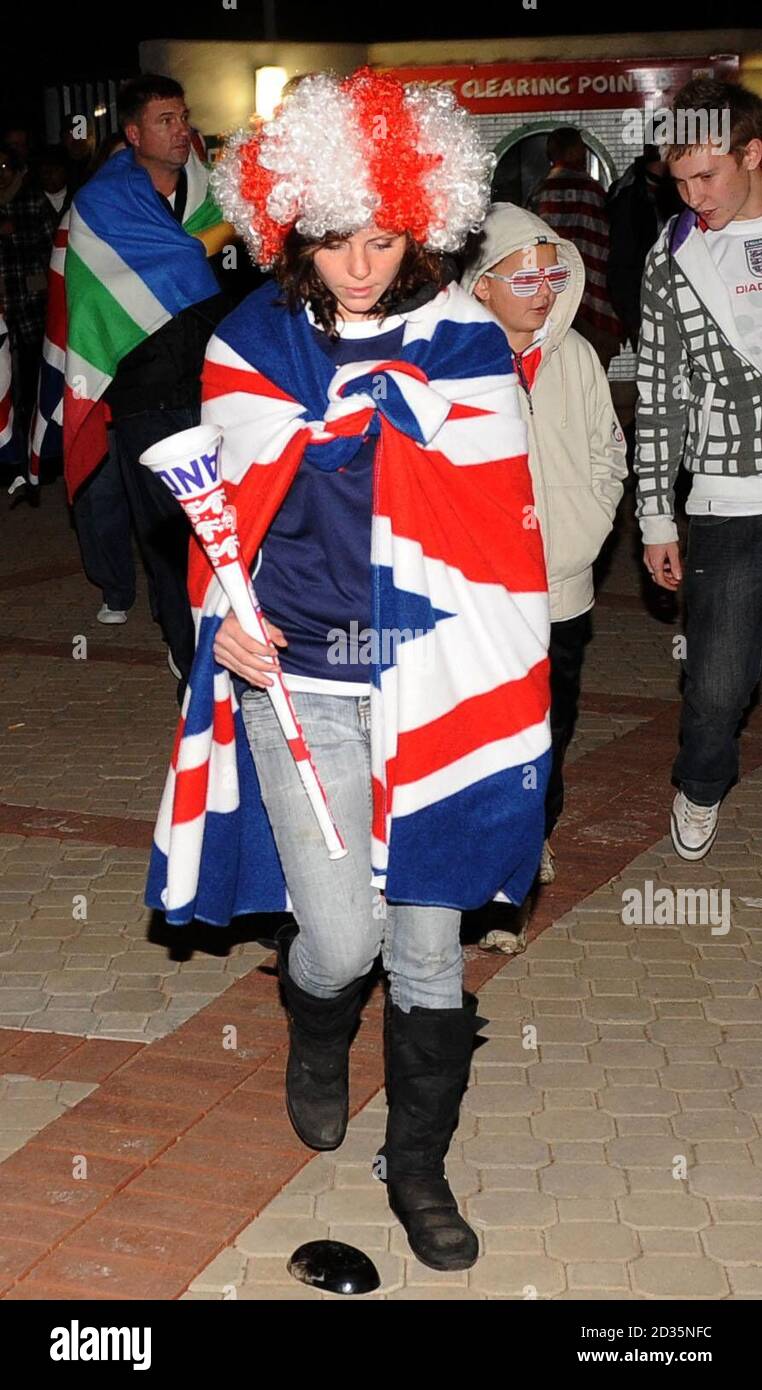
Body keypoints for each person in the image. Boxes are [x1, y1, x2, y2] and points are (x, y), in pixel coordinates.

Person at [147, 68, 551, 1271]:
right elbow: (217, 508)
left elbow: (500, 523)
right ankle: (314, 1029)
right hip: (304, 679)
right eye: (335, 241)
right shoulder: (251, 345)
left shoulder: (465, 346)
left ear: (420, 224)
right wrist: (218, 610)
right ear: (293, 228)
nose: (362, 266)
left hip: (437, 681)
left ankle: (419, 1166)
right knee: (341, 934)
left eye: (384, 240)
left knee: (429, 947)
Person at [462, 204, 627, 951]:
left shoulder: (579, 359)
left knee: (548, 728)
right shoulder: (453, 362)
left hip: (561, 588)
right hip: (479, 595)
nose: (542, 288)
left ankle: (534, 834)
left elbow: (607, 458)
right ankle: (502, 882)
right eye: (522, 275)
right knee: (491, 731)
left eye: (552, 272)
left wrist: (581, 537)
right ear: (482, 287)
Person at [47, 74, 230, 679]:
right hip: (143, 392)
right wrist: (231, 228)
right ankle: (189, 657)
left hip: (214, 384)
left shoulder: (212, 193)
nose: (181, 132)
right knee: (170, 533)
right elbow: (181, 258)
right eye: (165, 121)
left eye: (184, 118)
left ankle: (221, 640)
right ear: (133, 133)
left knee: (223, 528)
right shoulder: (102, 202)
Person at [635, 78, 762, 860]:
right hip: (724, 497)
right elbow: (657, 388)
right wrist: (656, 516)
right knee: (716, 681)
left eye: (706, 176)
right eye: (678, 182)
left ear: (753, 153)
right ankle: (703, 780)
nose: (692, 196)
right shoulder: (673, 251)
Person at [529, 126, 621, 370]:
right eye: (579, 147)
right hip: (593, 297)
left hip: (554, 294)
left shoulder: (540, 192)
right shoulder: (591, 190)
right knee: (595, 368)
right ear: (571, 151)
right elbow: (604, 244)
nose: (583, 152)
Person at [0, 140, 56, 482]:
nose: (0, 175)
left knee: (34, 380)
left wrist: (14, 232)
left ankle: (39, 455)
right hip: (3, 305)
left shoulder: (32, 199)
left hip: (32, 303)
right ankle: (9, 455)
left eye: (5, 167)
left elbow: (53, 247)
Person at [607, 145, 682, 349]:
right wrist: (632, 316)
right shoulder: (629, 196)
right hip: (644, 301)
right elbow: (622, 262)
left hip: (667, 297)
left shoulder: (678, 189)